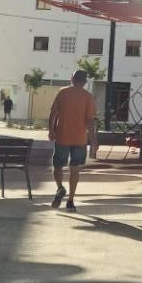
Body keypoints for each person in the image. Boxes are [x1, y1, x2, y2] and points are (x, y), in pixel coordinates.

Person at [47, 69, 96, 212]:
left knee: (57, 166)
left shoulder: (62, 93)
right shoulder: (88, 96)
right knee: (75, 170)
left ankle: (60, 188)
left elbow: (53, 114)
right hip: (80, 139)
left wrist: (51, 130)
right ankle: (70, 201)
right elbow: (90, 121)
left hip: (62, 137)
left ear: (72, 79)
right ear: (85, 82)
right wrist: (93, 140)